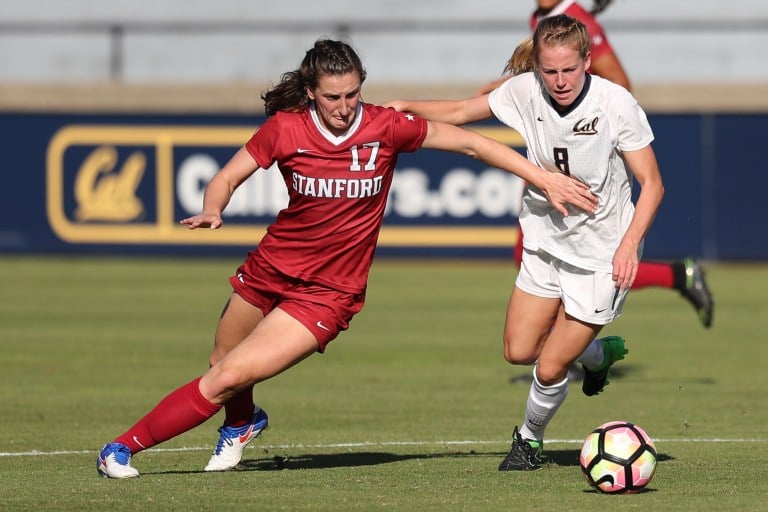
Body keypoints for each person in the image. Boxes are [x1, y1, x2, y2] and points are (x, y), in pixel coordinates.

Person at [95, 38, 599, 479]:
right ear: (312, 91)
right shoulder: (284, 129)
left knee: (226, 377)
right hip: (269, 268)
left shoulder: (386, 127)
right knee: (222, 366)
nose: (344, 106)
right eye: (333, 97)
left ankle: (120, 448)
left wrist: (543, 177)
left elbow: (471, 144)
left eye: (353, 94)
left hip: (326, 295)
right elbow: (226, 178)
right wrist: (212, 207)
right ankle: (243, 423)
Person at [386, 14, 665, 470]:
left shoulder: (616, 104)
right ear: (537, 66)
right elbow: (459, 112)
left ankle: (528, 441)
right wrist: (403, 104)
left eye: (569, 70)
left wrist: (629, 244)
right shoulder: (524, 91)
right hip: (545, 239)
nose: (559, 81)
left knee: (551, 368)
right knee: (518, 351)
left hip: (600, 255)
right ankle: (596, 355)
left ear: (587, 62)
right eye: (550, 70)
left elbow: (652, 184)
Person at [478, 0, 714, 329]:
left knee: (590, 260)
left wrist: (577, 127)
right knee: (532, 254)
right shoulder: (543, 17)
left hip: (580, 158)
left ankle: (568, 355)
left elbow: (619, 83)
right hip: (552, 154)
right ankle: (675, 277)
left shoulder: (575, 18)